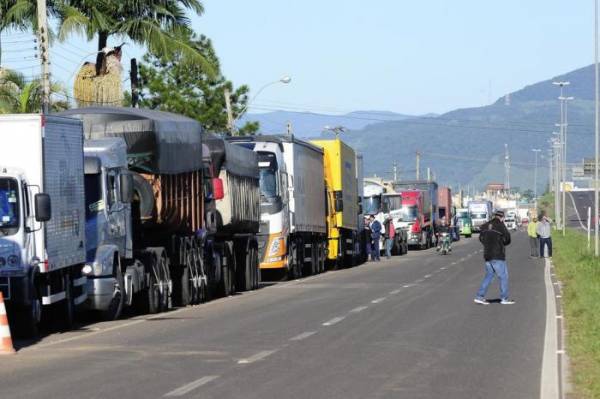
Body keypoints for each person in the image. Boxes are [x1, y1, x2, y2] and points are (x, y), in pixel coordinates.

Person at [474, 210, 514, 305]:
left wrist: (487, 244)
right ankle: (504, 298)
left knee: (489, 276)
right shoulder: (501, 225)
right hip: (497, 255)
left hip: (487, 255)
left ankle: (479, 296)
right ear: (502, 217)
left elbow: (480, 238)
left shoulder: (485, 225)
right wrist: (501, 243)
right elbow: (508, 239)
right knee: (503, 276)